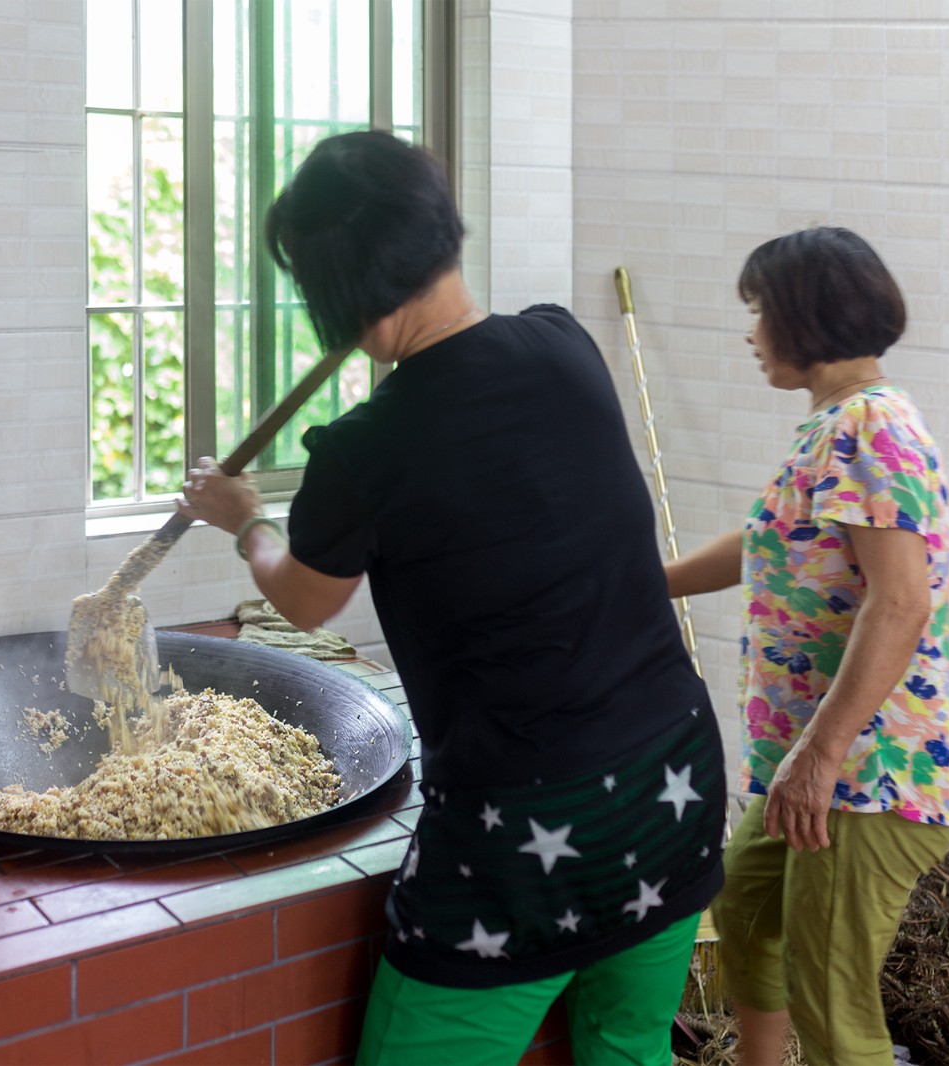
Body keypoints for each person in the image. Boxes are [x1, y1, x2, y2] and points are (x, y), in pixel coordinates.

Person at [177, 129, 725, 1066]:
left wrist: (243, 519)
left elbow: (306, 604)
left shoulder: (363, 448)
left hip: (525, 839)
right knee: (628, 1050)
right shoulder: (566, 343)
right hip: (672, 784)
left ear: (335, 294)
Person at [664, 227, 949, 1066]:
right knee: (751, 920)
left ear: (804, 316)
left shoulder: (870, 427)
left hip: (864, 775)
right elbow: (768, 541)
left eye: (760, 311)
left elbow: (901, 603)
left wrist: (822, 755)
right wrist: (645, 582)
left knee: (832, 1006)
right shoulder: (837, 424)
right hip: (813, 764)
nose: (752, 331)